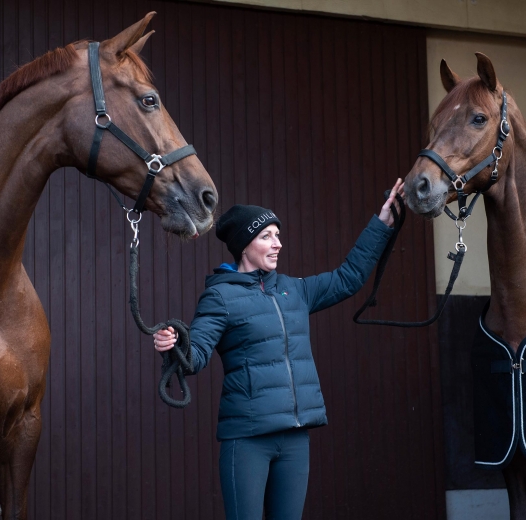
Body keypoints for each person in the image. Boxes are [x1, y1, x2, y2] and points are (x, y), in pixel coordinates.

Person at [154, 178, 405, 519]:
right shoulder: (220, 296)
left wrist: (383, 223)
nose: (278, 243)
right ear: (245, 245)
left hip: (295, 439)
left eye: (277, 235)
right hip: (247, 440)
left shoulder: (294, 290)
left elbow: (349, 277)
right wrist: (172, 345)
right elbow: (194, 357)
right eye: (267, 236)